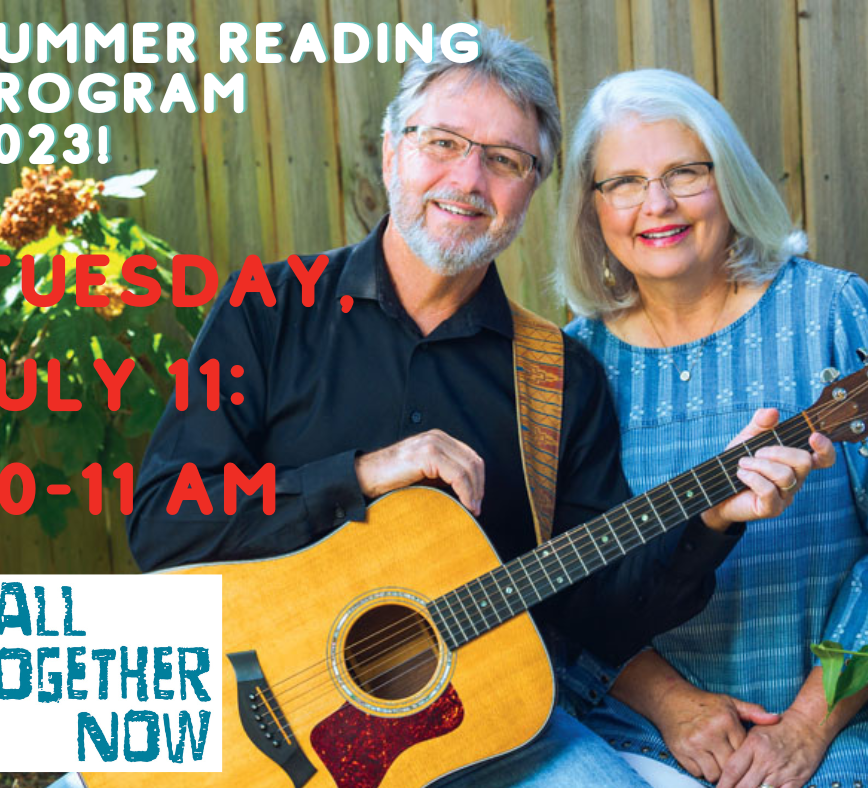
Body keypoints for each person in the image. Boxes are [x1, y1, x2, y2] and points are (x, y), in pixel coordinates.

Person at [128, 31, 823, 787]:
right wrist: (361, 474)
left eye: (505, 159)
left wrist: (711, 520)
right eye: (444, 142)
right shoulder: (266, 310)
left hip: (484, 729)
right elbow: (164, 522)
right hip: (240, 706)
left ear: (532, 188)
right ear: (393, 148)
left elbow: (597, 616)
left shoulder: (559, 376)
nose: (468, 178)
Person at [557, 68, 866, 788]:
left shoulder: (831, 312)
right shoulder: (569, 367)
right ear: (591, 208)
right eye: (624, 182)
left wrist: (806, 727)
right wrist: (675, 707)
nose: (656, 204)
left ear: (727, 180)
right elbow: (565, 591)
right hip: (634, 732)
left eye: (684, 173)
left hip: (834, 724)